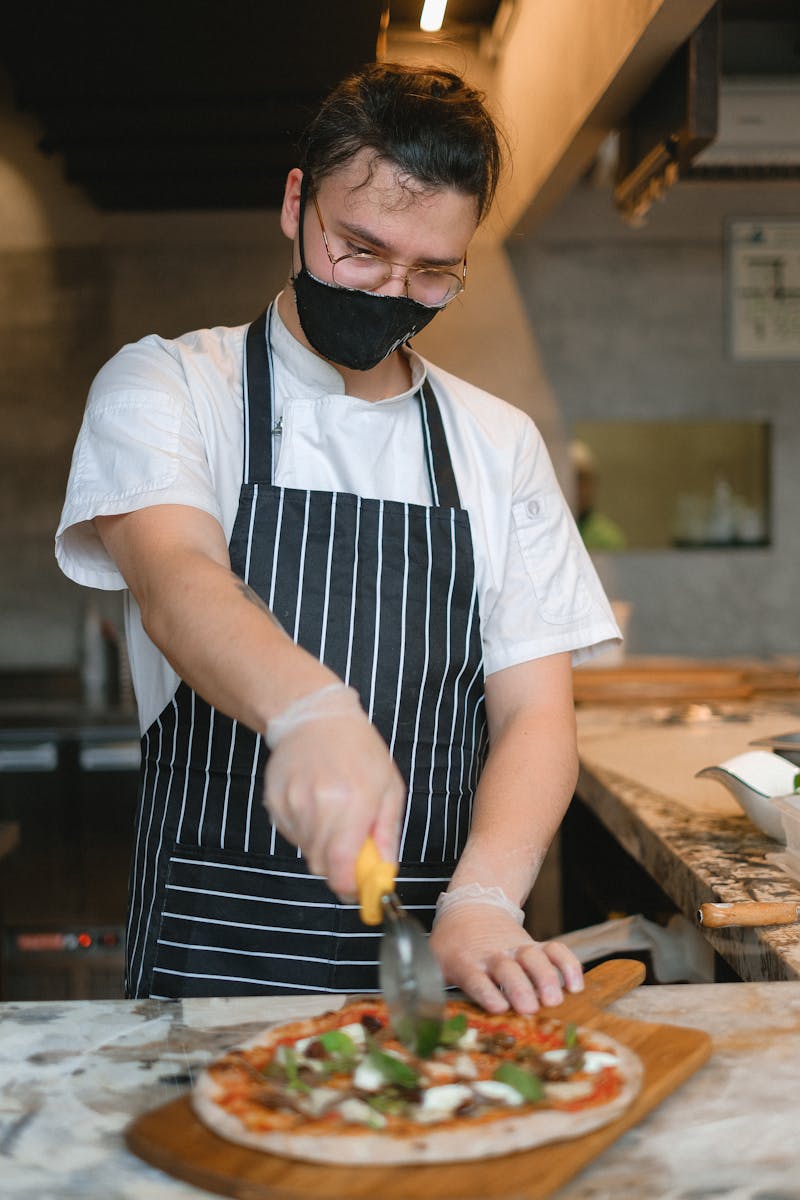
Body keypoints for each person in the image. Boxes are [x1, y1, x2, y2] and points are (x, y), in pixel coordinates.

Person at [56, 63, 620, 1012]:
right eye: (360, 249)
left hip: (436, 947)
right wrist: (310, 711)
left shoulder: (496, 441)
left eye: (433, 271)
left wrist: (485, 898)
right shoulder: (173, 387)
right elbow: (175, 580)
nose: (392, 289)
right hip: (215, 949)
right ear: (296, 204)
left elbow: (536, 712)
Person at [569, 439, 627, 551]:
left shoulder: (608, 538)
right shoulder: (547, 530)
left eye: (586, 480)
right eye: (576, 479)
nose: (581, 489)